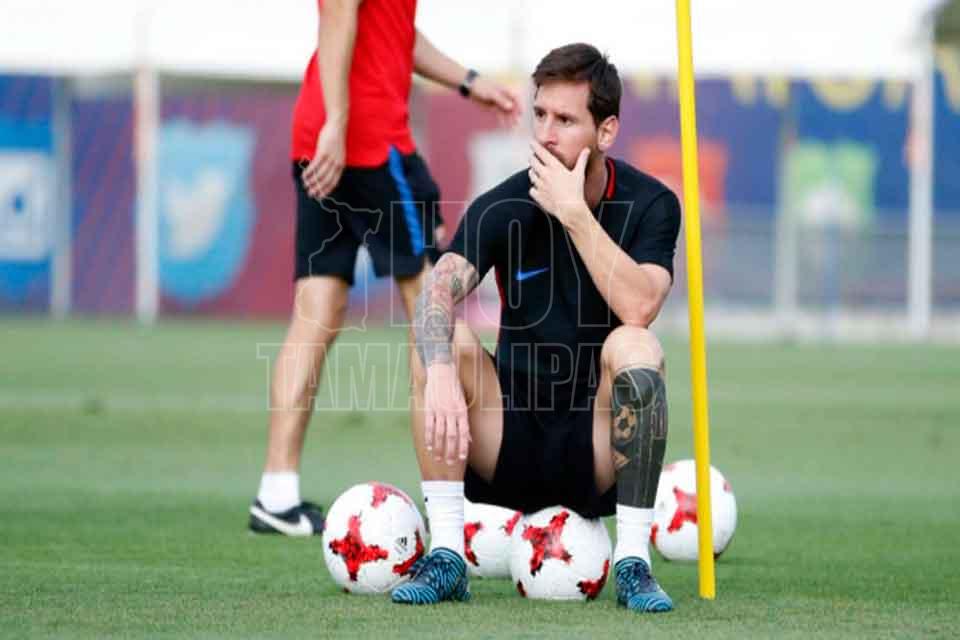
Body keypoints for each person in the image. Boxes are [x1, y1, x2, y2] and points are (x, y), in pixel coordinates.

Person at [394, 43, 681, 612]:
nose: (546, 135)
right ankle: (448, 555)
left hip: (596, 446)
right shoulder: (503, 205)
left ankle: (633, 563)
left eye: (565, 121)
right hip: (509, 437)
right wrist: (442, 374)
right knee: (435, 334)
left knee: (637, 345)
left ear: (606, 131)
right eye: (540, 115)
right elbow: (436, 292)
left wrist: (574, 214)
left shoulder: (652, 204)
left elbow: (641, 305)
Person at [249, 0, 520, 536]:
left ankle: (276, 495)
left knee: (318, 310)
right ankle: (464, 499)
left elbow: (395, 33)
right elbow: (338, 18)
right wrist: (339, 123)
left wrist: (467, 82)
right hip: (366, 142)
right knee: (432, 304)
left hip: (320, 137)